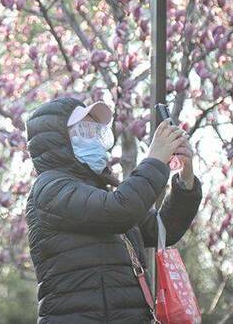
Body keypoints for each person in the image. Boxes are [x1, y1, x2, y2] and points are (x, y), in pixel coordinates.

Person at [25, 97, 202, 323]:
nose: (96, 140)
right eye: (85, 130)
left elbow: (162, 229)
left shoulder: (102, 192)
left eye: (98, 131)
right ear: (58, 140)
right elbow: (119, 211)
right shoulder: (50, 189)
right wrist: (155, 160)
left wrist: (185, 180)